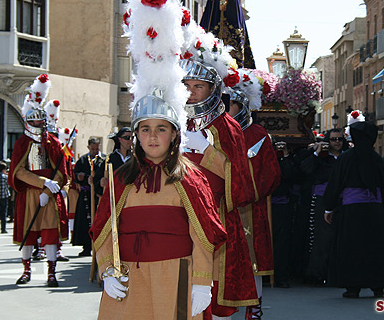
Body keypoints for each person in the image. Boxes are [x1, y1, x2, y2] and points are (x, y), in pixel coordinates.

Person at [90, 107, 226, 320]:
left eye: (161, 129)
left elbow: (203, 237)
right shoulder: (120, 179)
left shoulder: (192, 180)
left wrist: (201, 282)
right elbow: (103, 229)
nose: (152, 136)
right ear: (136, 134)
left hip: (176, 278)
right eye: (145, 129)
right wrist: (107, 269)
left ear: (174, 134)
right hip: (129, 280)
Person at [180, 55, 258, 319]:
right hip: (177, 214)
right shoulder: (172, 121)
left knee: (208, 285)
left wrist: (206, 151)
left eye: (197, 86)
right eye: (186, 86)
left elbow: (240, 180)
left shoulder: (228, 127)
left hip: (214, 215)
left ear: (213, 89)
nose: (190, 93)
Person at [323, 120, 384, 298]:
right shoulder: (378, 160)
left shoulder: (345, 158)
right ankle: (378, 286)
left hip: (351, 211)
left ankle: (353, 287)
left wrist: (328, 208)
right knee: (375, 248)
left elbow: (335, 185)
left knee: (352, 248)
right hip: (374, 211)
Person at [9, 73, 69, 287]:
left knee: (51, 235)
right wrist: (42, 184)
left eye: (39, 119)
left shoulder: (52, 142)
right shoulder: (22, 143)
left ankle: (51, 273)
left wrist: (49, 190)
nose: (36, 122)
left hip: (49, 197)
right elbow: (18, 171)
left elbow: (61, 171)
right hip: (29, 195)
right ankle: (26, 271)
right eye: (32, 119)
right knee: (28, 234)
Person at [229, 83, 280, 319]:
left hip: (250, 207)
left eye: (230, 105)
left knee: (253, 260)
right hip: (220, 206)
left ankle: (255, 306)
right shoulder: (211, 133)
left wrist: (248, 193)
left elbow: (271, 173)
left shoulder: (257, 135)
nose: (225, 110)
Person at [300, 126, 348, 284]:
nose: (337, 142)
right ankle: (317, 273)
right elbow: (306, 169)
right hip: (321, 200)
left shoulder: (347, 156)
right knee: (322, 238)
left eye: (340, 139)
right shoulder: (321, 157)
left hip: (343, 200)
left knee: (341, 238)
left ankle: (337, 274)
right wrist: (317, 152)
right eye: (333, 139)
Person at [271, 141, 298, 288]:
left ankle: (281, 275)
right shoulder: (264, 158)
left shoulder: (286, 160)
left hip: (282, 205)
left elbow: (289, 174)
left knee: (282, 242)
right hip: (263, 205)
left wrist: (286, 155)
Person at [73, 137, 105, 257]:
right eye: (93, 149)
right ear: (88, 148)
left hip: (98, 195)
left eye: (97, 148)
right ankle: (86, 246)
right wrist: (79, 176)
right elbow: (75, 173)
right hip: (86, 195)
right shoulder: (82, 160)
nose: (95, 151)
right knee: (84, 221)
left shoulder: (104, 159)